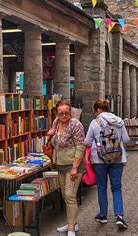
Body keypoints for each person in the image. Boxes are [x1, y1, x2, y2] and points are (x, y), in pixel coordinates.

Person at [85, 100, 130, 229]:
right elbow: (126, 139)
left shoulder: (95, 122)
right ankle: (119, 216)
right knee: (116, 188)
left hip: (100, 160)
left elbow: (87, 141)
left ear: (98, 110)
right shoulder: (119, 121)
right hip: (117, 158)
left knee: (102, 187)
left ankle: (103, 215)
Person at [48, 99, 86, 236]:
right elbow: (54, 142)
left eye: (66, 113)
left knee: (70, 196)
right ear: (56, 114)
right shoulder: (56, 123)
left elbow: (81, 146)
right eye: (61, 113)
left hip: (73, 165)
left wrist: (75, 167)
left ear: (70, 112)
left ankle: (71, 228)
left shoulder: (76, 124)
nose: (64, 116)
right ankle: (72, 223)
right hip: (60, 164)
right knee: (65, 195)